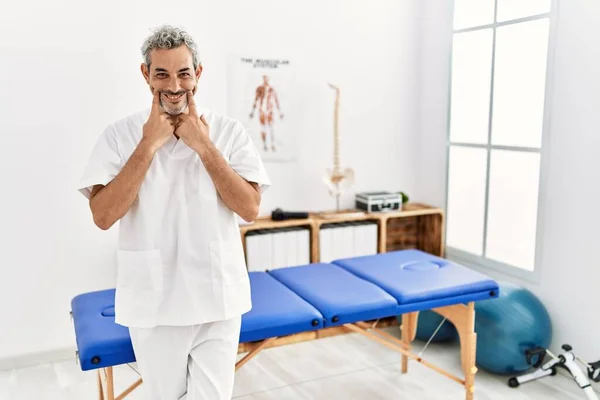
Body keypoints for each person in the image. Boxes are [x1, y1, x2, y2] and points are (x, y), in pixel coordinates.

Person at [77, 25, 271, 400]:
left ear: (198, 73)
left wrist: (204, 147)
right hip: (155, 303)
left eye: (184, 73)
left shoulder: (229, 132)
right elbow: (103, 216)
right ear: (145, 74)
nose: (174, 85)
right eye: (162, 73)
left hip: (218, 299)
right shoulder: (120, 136)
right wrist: (148, 145)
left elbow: (249, 208)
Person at [249, 75, 283, 152]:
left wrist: (280, 112)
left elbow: (276, 100)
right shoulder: (259, 89)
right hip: (262, 111)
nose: (265, 80)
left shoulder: (271, 89)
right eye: (264, 79)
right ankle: (265, 145)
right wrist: (252, 112)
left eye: (266, 79)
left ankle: (272, 144)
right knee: (263, 128)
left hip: (269, 111)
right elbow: (256, 100)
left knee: (271, 128)